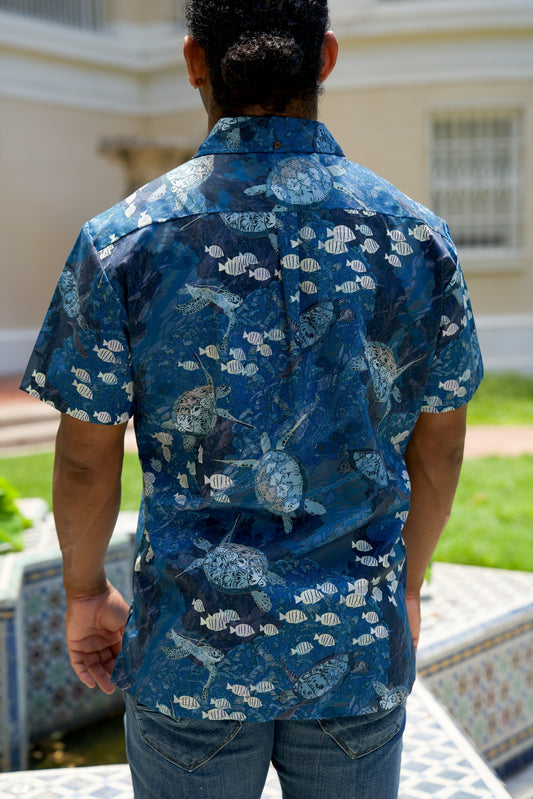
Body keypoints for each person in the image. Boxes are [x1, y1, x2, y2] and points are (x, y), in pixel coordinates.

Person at [21, 1, 483, 797]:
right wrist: (403, 587)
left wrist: (86, 591)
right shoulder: (416, 239)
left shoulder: (123, 239)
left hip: (189, 648)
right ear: (324, 57)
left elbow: (87, 457)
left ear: (193, 61)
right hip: (352, 644)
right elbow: (437, 445)